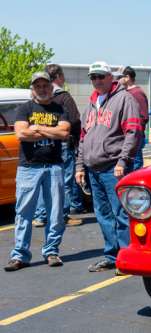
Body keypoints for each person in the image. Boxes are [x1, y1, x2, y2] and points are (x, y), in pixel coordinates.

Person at [75, 61, 142, 272]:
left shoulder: (124, 99)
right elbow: (83, 139)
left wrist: (123, 161)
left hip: (113, 166)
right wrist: (79, 166)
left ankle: (125, 257)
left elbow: (133, 132)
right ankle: (111, 255)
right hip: (93, 169)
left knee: (121, 213)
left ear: (110, 77)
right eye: (93, 77)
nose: (97, 81)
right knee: (103, 215)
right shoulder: (90, 105)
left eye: (100, 76)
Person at [4, 72, 70, 272]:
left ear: (51, 87)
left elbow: (64, 133)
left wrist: (38, 128)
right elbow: (21, 134)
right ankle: (20, 255)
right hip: (29, 167)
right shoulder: (25, 108)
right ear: (33, 89)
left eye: (45, 85)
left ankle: (51, 251)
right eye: (38, 86)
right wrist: (51, 131)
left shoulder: (60, 109)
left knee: (55, 213)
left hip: (54, 167)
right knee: (23, 213)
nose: (42, 89)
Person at [32, 64, 84, 228]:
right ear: (58, 76)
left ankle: (41, 216)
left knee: (42, 180)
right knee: (63, 181)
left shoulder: (39, 97)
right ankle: (63, 214)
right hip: (62, 142)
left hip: (41, 143)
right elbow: (74, 119)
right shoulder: (63, 97)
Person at [115, 66, 148, 170]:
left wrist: (135, 134)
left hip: (135, 137)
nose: (117, 80)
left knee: (135, 167)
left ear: (127, 78)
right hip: (127, 138)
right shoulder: (124, 93)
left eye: (119, 77)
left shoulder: (137, 93)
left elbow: (143, 117)